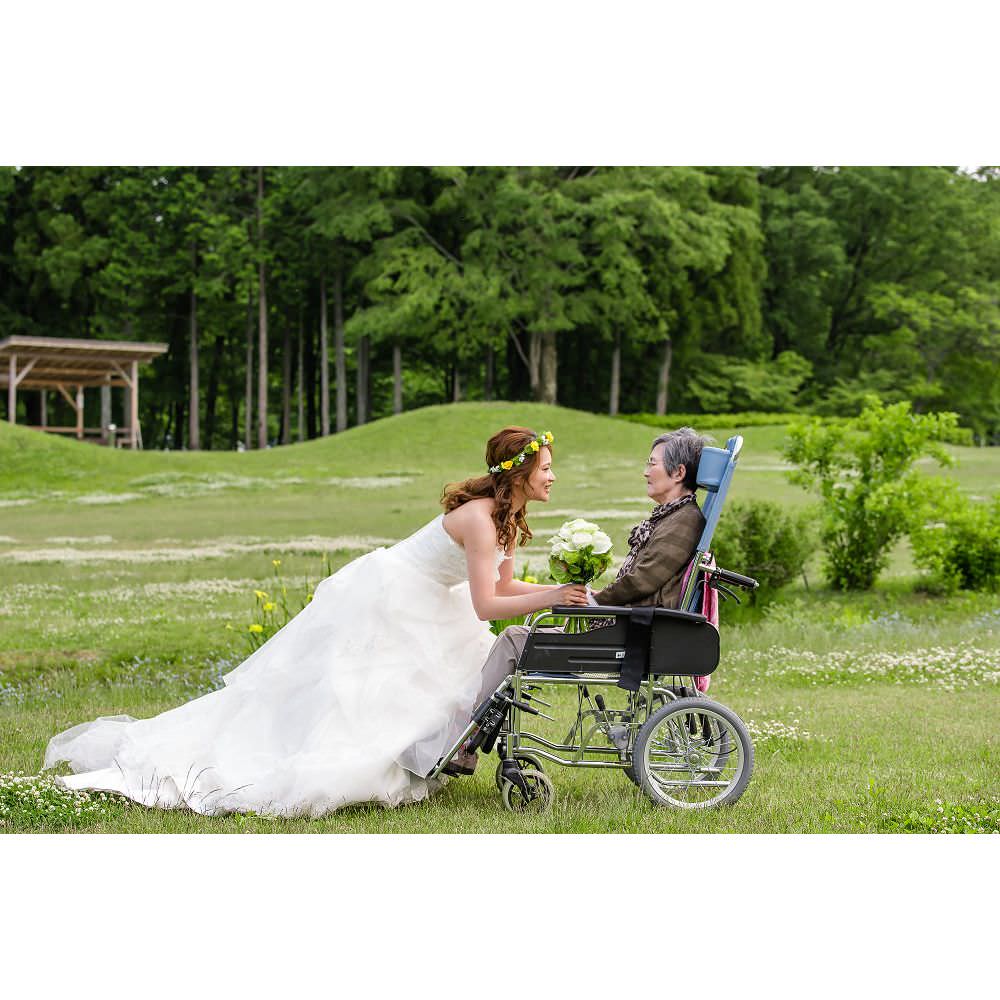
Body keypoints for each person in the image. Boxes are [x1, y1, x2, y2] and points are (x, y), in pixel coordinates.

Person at [42, 426, 588, 816]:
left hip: (429, 600)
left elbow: (505, 586)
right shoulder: (477, 519)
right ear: (519, 473)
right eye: (546, 469)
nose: (553, 477)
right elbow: (487, 607)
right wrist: (552, 596)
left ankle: (423, 757)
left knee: (421, 685)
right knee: (348, 696)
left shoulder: (509, 519)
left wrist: (559, 593)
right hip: (391, 595)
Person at [459, 427, 709, 774]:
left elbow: (641, 581)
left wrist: (594, 601)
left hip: (632, 632)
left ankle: (467, 741)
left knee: (514, 640)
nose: (645, 471)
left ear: (678, 472)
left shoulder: (682, 521)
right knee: (517, 639)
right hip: (633, 626)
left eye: (652, 463)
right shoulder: (676, 517)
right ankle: (476, 736)